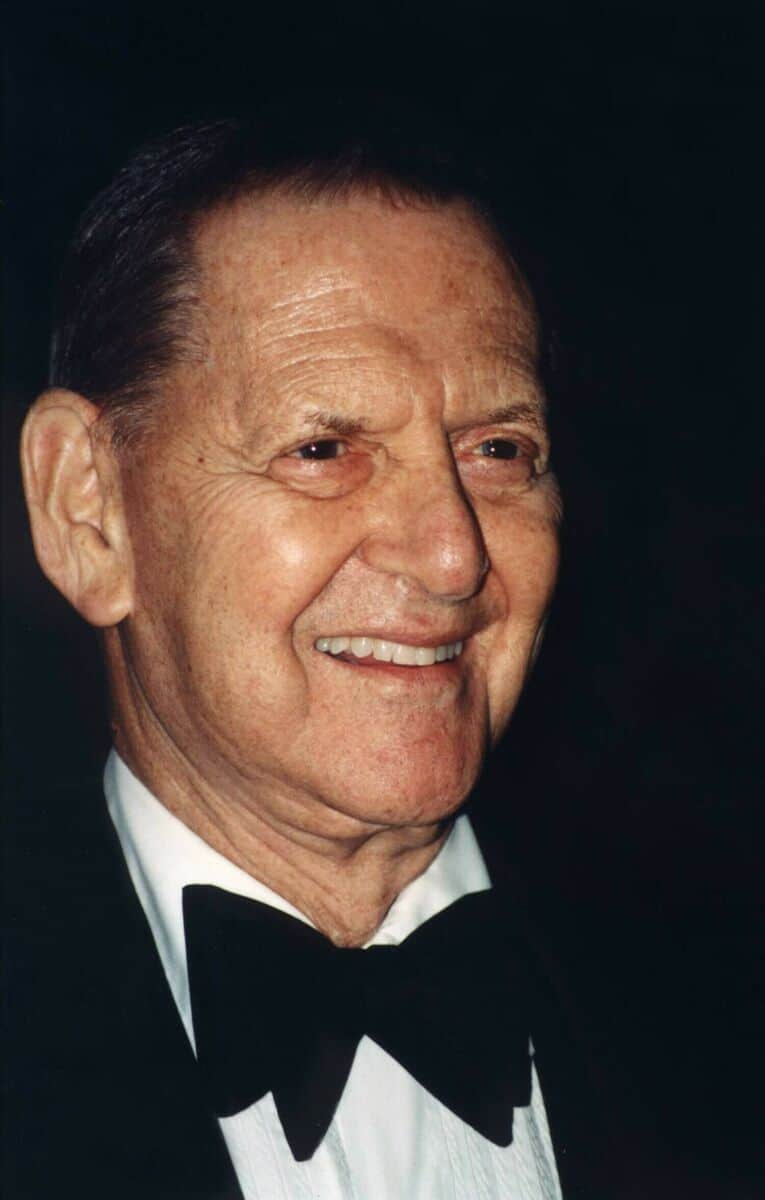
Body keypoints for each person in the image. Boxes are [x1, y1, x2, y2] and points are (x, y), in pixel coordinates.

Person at [12, 103, 627, 1199]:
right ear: (89, 512)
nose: (452, 555)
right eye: (324, 449)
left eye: (498, 449)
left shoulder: (716, 999)